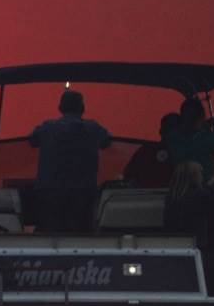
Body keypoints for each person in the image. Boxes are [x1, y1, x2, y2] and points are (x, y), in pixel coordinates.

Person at [27, 89, 111, 233]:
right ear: (82, 108)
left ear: (60, 108)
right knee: (82, 235)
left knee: (48, 234)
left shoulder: (48, 127)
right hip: (83, 193)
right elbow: (106, 141)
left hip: (50, 193)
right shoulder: (93, 128)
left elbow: (32, 140)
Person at [163, 97, 214, 179]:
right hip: (205, 185)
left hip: (180, 185)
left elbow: (194, 126)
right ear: (202, 117)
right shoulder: (210, 139)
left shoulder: (172, 138)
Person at [122, 113, 180, 187]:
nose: (172, 133)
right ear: (161, 131)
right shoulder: (146, 151)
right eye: (170, 129)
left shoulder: (184, 154)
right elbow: (128, 175)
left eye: (174, 129)